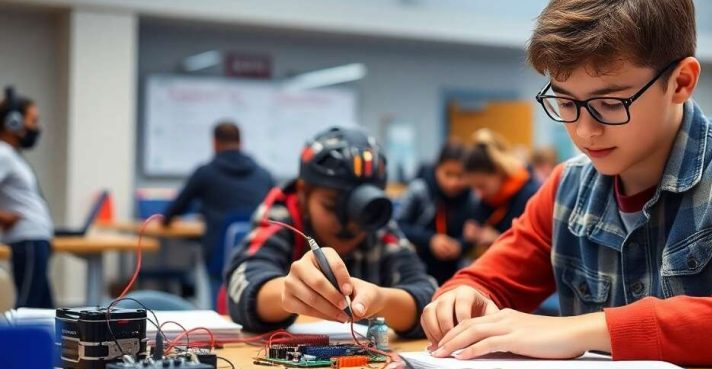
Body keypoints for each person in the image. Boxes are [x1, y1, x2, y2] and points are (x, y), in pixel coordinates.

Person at [419, 0, 712, 366]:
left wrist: (586, 330)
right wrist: (459, 300)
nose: (584, 131)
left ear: (681, 82)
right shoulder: (568, 187)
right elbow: (479, 282)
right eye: (566, 103)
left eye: (611, 103)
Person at [224, 126, 436, 336]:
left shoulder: (376, 221)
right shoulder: (283, 212)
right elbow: (241, 283)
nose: (348, 224)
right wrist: (287, 292)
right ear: (303, 194)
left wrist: (383, 300)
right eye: (331, 205)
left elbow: (429, 299)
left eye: (359, 208)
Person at [164, 121, 275, 299]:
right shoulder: (264, 174)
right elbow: (275, 211)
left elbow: (174, 210)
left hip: (218, 256)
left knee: (218, 304)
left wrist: (165, 220)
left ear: (215, 143)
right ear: (241, 143)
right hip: (258, 255)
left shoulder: (205, 173)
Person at [0, 86, 54, 307]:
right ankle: (15, 344)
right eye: (33, 120)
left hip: (35, 239)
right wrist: (3, 217)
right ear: (13, 122)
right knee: (26, 310)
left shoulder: (11, 154)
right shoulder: (2, 153)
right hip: (27, 241)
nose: (36, 127)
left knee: (45, 312)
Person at [396, 140, 477, 284]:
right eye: (448, 174)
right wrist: (430, 240)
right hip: (417, 268)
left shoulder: (472, 196)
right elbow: (397, 225)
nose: (453, 182)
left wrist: (460, 245)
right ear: (437, 169)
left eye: (460, 176)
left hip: (455, 270)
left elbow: (473, 233)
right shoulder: (419, 189)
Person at [462, 129, 540, 255]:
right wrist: (471, 235)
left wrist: (499, 239)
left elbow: (537, 246)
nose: (478, 193)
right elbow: (478, 224)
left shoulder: (531, 194)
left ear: (499, 172)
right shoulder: (488, 199)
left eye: (482, 186)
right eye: (474, 187)